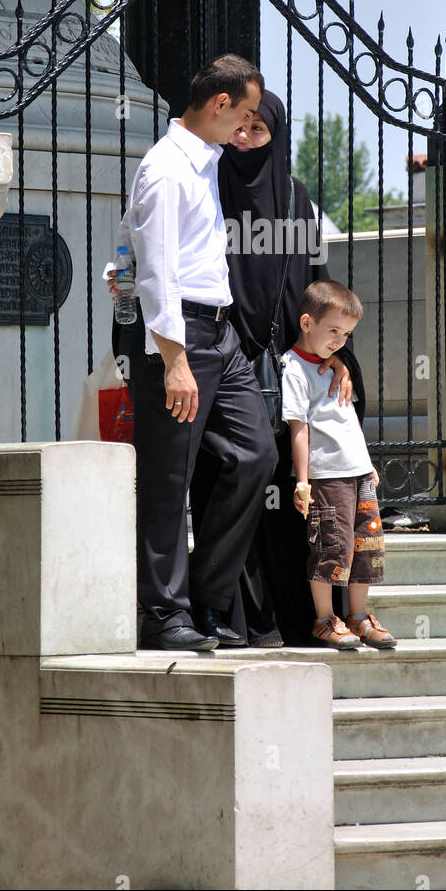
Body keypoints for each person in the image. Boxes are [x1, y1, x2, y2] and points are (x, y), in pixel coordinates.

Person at [109, 55, 278, 652]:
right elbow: (156, 273)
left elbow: (137, 245)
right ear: (219, 105)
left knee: (256, 454)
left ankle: (206, 601)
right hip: (178, 340)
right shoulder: (167, 169)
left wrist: (118, 267)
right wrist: (174, 360)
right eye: (247, 114)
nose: (248, 127)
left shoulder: (203, 162)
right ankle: (163, 614)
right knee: (167, 477)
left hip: (221, 334)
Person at [188, 89, 367, 646]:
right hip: (222, 359)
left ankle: (306, 616)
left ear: (276, 137)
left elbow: (317, 287)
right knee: (232, 479)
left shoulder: (295, 199)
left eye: (257, 131)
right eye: (239, 127)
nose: (243, 139)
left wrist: (334, 357)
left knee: (295, 490)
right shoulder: (207, 187)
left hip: (288, 368)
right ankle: (231, 615)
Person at [283, 279, 397, 650]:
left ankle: (359, 617)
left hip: (359, 472)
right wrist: (303, 480)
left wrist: (366, 464)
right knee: (331, 546)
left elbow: (347, 420)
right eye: (333, 330)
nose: (339, 340)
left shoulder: (336, 366)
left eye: (346, 334)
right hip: (327, 475)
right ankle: (324, 618)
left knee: (366, 547)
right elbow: (298, 429)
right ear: (305, 323)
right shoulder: (294, 369)